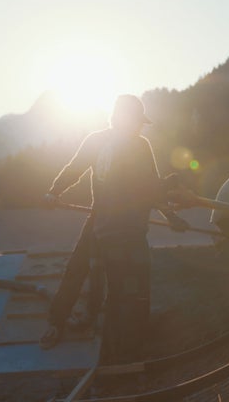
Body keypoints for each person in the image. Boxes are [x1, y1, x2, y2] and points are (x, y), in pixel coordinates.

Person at [39, 94, 189, 361]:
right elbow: (76, 169)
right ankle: (61, 323)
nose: (140, 127)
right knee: (91, 275)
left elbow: (151, 187)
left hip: (118, 223)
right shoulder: (104, 142)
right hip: (114, 224)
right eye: (137, 121)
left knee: (114, 280)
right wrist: (55, 189)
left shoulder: (135, 145)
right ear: (122, 117)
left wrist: (170, 216)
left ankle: (125, 338)